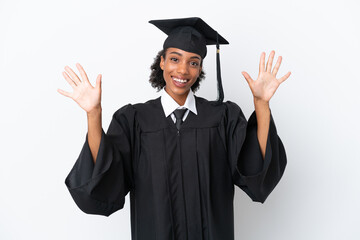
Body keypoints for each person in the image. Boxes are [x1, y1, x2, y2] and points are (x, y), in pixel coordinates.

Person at [58, 17, 290, 240]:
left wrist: (261, 104)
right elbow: (106, 177)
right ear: (162, 62)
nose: (182, 70)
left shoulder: (223, 118)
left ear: (199, 69)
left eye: (193, 62)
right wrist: (94, 113)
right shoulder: (134, 120)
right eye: (175, 59)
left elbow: (255, 171)